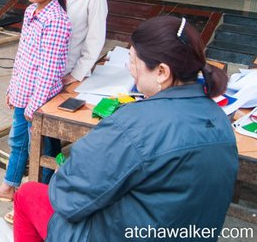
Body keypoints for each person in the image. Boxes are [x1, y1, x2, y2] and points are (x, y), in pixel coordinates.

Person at [13, 15, 238, 242]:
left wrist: (65, 173)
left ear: (162, 71)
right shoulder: (219, 118)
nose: (130, 69)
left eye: (133, 62)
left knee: (28, 194)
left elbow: (68, 197)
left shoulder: (134, 123)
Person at [0, 0, 71, 223]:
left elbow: (50, 70)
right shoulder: (31, 12)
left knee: (43, 152)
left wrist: (33, 106)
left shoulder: (57, 21)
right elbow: (24, 57)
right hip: (23, 96)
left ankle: (39, 199)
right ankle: (9, 187)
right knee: (18, 143)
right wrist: (13, 90)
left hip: (40, 103)